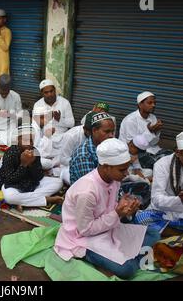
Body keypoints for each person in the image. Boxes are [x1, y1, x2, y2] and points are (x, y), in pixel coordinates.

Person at [55, 138, 160, 279]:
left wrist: (127, 211)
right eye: (122, 170)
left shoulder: (113, 179)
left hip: (109, 227)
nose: (126, 174)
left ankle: (130, 256)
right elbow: (85, 230)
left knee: (154, 233)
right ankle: (129, 258)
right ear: (106, 167)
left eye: (127, 168)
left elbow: (112, 210)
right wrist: (117, 214)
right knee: (126, 270)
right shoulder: (87, 192)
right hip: (83, 239)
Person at [0, 124, 64, 209]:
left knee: (58, 182)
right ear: (18, 140)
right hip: (13, 185)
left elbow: (38, 177)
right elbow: (9, 180)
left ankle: (23, 201)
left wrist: (31, 164)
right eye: (25, 140)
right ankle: (46, 200)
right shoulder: (10, 153)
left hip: (30, 182)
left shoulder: (35, 151)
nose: (29, 143)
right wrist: (23, 164)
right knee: (10, 197)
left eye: (31, 140)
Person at [119, 91, 171, 169]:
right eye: (149, 103)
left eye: (154, 103)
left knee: (170, 158)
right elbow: (133, 146)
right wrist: (150, 131)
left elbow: (154, 142)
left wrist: (156, 132)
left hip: (151, 149)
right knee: (159, 166)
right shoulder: (130, 120)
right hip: (133, 153)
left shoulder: (153, 117)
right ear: (140, 104)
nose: (153, 105)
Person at [69, 112, 115, 185]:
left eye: (112, 132)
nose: (111, 135)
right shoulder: (83, 156)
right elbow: (92, 185)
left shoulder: (107, 146)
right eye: (107, 131)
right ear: (94, 131)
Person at [59, 111, 94, 185]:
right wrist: (80, 163)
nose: (93, 135)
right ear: (85, 129)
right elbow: (63, 159)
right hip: (69, 167)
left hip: (92, 166)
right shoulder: (71, 136)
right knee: (82, 183)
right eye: (91, 132)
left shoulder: (98, 136)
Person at [32, 107, 59, 173]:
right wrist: (47, 136)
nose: (46, 120)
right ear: (35, 118)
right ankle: (51, 166)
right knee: (47, 163)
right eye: (42, 117)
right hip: (33, 157)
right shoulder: (33, 129)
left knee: (60, 153)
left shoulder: (40, 127)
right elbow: (34, 151)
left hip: (41, 154)